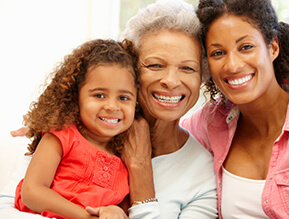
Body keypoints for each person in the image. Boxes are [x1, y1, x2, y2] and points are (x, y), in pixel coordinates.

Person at [5, 0, 218, 218]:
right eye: (155, 65)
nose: (171, 81)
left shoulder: (203, 174)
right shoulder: (76, 128)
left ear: (202, 76)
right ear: (132, 71)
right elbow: (8, 208)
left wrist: (140, 171)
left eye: (187, 68)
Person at [180, 0, 289, 218]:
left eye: (246, 47)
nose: (232, 65)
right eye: (218, 53)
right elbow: (164, 150)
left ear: (273, 46)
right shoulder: (209, 122)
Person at [14, 39, 138, 219]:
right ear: (75, 97)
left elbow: (120, 204)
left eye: (124, 98)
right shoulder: (61, 136)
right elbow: (32, 192)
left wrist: (114, 210)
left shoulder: (127, 152)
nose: (112, 106)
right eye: (99, 95)